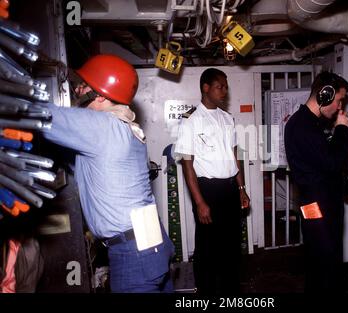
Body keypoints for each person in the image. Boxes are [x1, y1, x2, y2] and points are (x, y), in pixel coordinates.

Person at [41, 54, 174, 293]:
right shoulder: (124, 127)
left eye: (83, 86)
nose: (77, 91)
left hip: (132, 252)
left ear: (100, 95)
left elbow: (36, 114)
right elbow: (93, 169)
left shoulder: (101, 126)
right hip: (151, 242)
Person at [284, 71, 348, 292]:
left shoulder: (310, 123)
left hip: (318, 202)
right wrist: (342, 129)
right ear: (325, 95)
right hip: (318, 205)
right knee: (325, 260)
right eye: (339, 100)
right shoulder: (303, 126)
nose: (340, 107)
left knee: (321, 258)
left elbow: (323, 165)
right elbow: (333, 163)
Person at [174, 68, 250, 294]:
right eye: (220, 86)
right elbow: (188, 164)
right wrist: (199, 202)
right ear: (205, 88)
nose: (225, 91)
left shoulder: (227, 118)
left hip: (230, 189)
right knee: (208, 248)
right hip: (207, 190)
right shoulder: (191, 119)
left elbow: (235, 157)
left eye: (226, 87)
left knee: (232, 246)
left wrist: (242, 188)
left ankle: (230, 291)